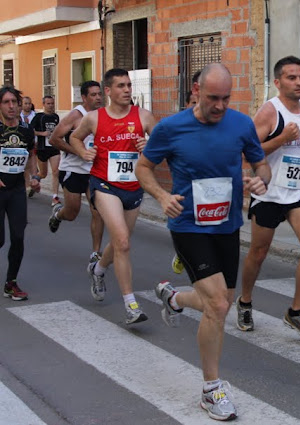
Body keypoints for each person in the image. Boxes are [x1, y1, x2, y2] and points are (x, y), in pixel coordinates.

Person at [137, 63, 270, 422]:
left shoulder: (241, 124)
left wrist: (260, 181)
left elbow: (262, 165)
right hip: (188, 225)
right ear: (196, 91)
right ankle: (212, 389)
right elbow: (142, 167)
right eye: (213, 98)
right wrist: (162, 197)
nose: (220, 106)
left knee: (223, 302)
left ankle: (174, 297)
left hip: (226, 225)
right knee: (216, 304)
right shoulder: (170, 128)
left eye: (227, 98)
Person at [239, 56, 300, 338]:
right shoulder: (268, 113)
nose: (298, 82)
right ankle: (245, 301)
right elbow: (247, 152)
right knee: (259, 253)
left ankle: (296, 311)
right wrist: (281, 139)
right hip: (269, 193)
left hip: (299, 190)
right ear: (277, 82)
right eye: (291, 78)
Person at [70, 68, 156, 325]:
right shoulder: (95, 118)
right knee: (122, 240)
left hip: (133, 187)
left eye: (129, 85)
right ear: (108, 91)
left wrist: (148, 147)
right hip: (104, 184)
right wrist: (83, 153)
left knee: (122, 241)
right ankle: (131, 304)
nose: (127, 90)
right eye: (120, 85)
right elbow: (74, 137)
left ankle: (98, 269)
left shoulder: (144, 116)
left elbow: (165, 145)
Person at [47, 81, 106, 269]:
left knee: (98, 211)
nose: (98, 98)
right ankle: (58, 214)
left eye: (99, 94)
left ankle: (95, 253)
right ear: (84, 97)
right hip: (73, 169)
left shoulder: (103, 115)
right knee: (72, 213)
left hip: (94, 171)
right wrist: (78, 151)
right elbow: (54, 138)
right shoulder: (75, 115)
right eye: (93, 95)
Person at [0, 86, 40, 300]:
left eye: (14, 102)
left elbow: (31, 155)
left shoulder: (26, 131)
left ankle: (11, 282)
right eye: (6, 102)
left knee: (18, 237)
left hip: (16, 190)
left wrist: (34, 177)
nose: (11, 106)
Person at [171, 70, 201, 275]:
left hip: (213, 200)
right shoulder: (176, 128)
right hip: (186, 197)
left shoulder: (221, 126)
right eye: (192, 103)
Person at [31, 96, 61, 205]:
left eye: (52, 103)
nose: (51, 106)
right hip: (42, 148)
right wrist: (41, 134)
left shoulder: (56, 117)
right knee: (43, 174)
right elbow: (30, 130)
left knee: (56, 172)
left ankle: (55, 197)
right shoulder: (39, 116)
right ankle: (34, 182)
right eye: (48, 103)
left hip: (54, 148)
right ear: (44, 104)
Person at [20, 97, 37, 197]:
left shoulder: (35, 115)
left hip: (35, 143)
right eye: (25, 103)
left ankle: (34, 179)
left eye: (29, 103)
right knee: (26, 166)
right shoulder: (18, 115)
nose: (28, 105)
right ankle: (27, 186)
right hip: (23, 144)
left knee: (34, 165)